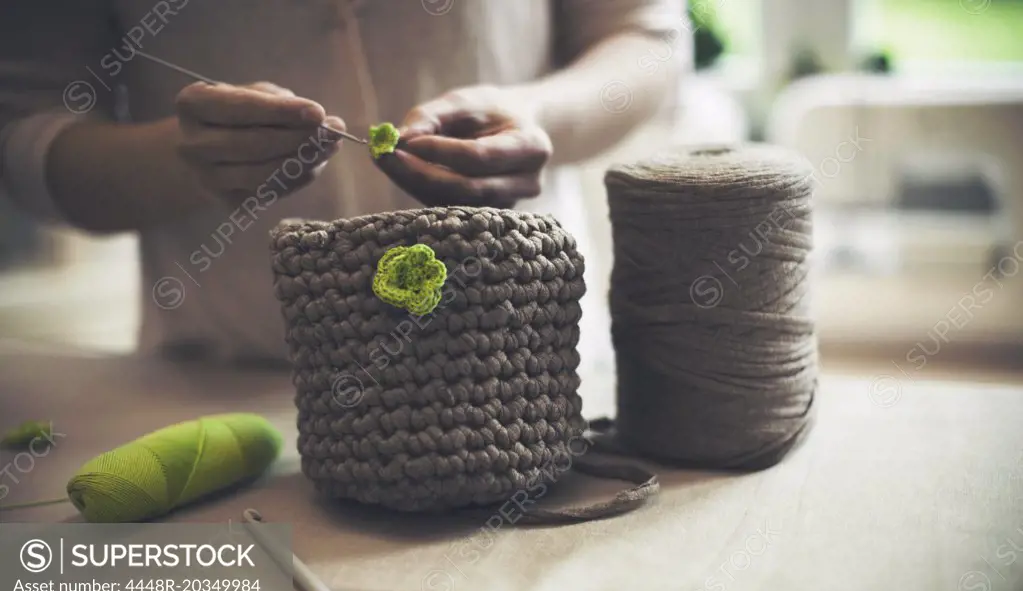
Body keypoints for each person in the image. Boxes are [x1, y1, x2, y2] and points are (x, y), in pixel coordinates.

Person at [0, 0, 687, 365]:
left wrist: (544, 116)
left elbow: (647, 37)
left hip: (521, 368)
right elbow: (25, 135)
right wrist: (180, 159)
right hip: (221, 381)